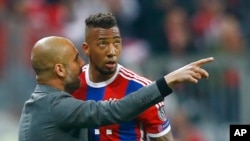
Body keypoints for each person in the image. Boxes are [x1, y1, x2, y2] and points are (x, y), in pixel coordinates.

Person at [18, 36, 213, 141]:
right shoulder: (57, 107)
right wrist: (166, 82)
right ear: (59, 69)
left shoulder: (38, 104)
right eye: (75, 59)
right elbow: (117, 110)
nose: (82, 64)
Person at [71, 12, 210, 141]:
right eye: (103, 44)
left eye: (116, 43)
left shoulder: (142, 89)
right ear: (86, 48)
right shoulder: (70, 85)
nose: (111, 52)